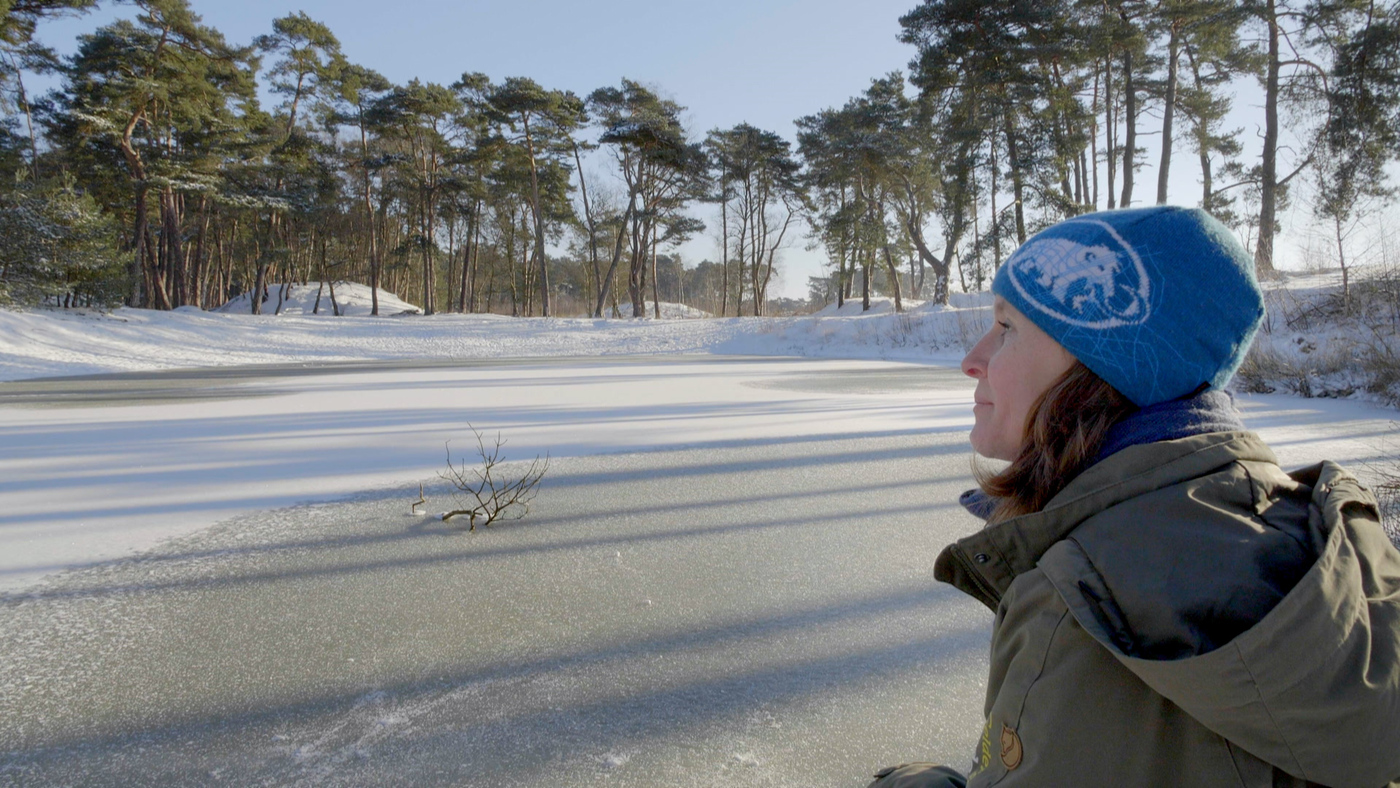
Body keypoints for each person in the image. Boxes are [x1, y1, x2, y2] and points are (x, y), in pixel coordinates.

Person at [869, 206, 1400, 788]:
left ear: (1102, 365)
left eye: (1007, 328)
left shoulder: (1085, 597)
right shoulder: (1307, 532)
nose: (972, 360)